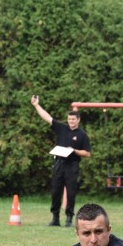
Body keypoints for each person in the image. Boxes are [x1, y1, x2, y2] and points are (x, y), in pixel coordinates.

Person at [30, 96, 92, 227]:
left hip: (72, 165)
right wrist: (36, 105)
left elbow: (87, 153)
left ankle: (69, 218)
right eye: (69, 119)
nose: (71, 121)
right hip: (59, 163)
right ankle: (55, 218)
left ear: (78, 120)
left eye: (73, 119)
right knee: (55, 191)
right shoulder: (62, 128)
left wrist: (74, 150)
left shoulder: (82, 135)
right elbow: (47, 117)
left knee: (71, 192)